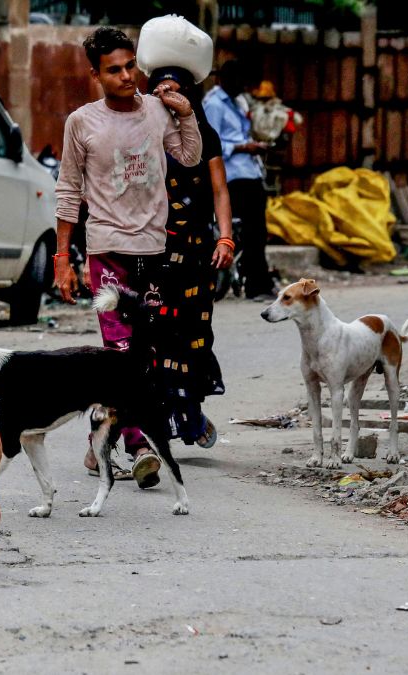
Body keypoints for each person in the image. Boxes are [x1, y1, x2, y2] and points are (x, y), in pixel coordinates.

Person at [53, 27, 202, 489]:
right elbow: (68, 191)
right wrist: (62, 257)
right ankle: (139, 446)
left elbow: (189, 156)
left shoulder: (156, 111)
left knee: (147, 352)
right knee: (119, 352)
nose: (125, 76)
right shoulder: (81, 122)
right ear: (95, 74)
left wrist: (185, 113)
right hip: (107, 251)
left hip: (153, 251)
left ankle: (99, 439)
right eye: (114, 69)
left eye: (130, 65)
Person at [147, 65, 234, 448]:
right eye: (158, 91)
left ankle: (190, 411)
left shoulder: (205, 134)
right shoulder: (142, 132)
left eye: (173, 90)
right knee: (156, 334)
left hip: (197, 251)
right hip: (152, 249)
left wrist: (225, 238)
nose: (165, 97)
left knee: (193, 334)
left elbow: (219, 191)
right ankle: (157, 419)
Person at [203, 60, 277, 302]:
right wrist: (243, 147)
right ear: (224, 80)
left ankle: (257, 280)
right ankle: (257, 285)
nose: (242, 86)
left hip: (248, 173)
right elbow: (210, 144)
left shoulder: (236, 102)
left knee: (257, 232)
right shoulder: (214, 104)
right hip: (233, 177)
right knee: (254, 231)